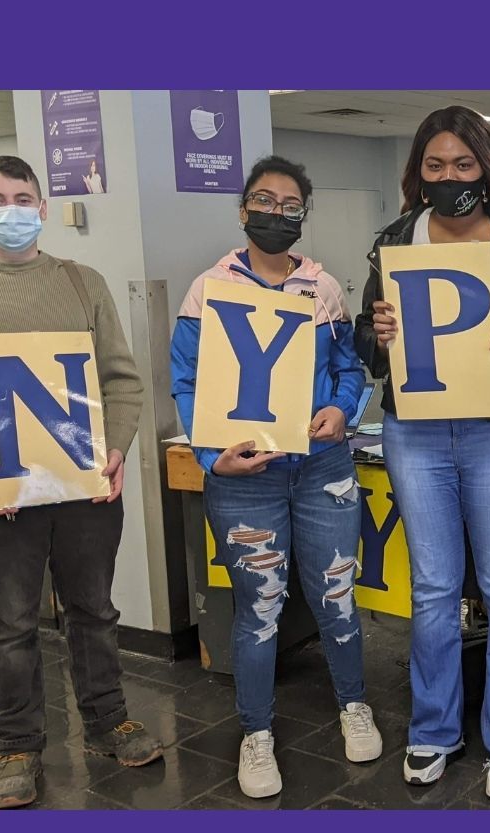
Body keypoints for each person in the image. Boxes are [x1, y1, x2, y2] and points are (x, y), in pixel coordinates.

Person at [0, 155, 162, 809]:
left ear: (43, 208)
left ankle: (108, 723)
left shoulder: (83, 284)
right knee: (9, 625)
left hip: (84, 487)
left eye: (23, 197)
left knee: (95, 612)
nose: (11, 209)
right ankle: (17, 747)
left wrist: (115, 449)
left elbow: (121, 381)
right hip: (0, 494)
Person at [355, 106, 490, 800]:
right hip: (415, 431)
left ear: (486, 167)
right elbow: (365, 343)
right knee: (434, 589)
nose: (450, 177)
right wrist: (378, 335)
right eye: (436, 166)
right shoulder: (395, 240)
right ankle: (434, 728)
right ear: (418, 173)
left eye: (464, 164)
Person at [170, 155, 382, 799]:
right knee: (259, 611)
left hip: (322, 470)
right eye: (264, 201)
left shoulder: (323, 290)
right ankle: (255, 734)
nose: (276, 214)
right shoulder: (208, 290)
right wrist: (212, 458)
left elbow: (352, 371)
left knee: (338, 599)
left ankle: (354, 704)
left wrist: (341, 412)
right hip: (244, 479)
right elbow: (188, 384)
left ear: (303, 216)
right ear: (242, 209)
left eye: (291, 206)